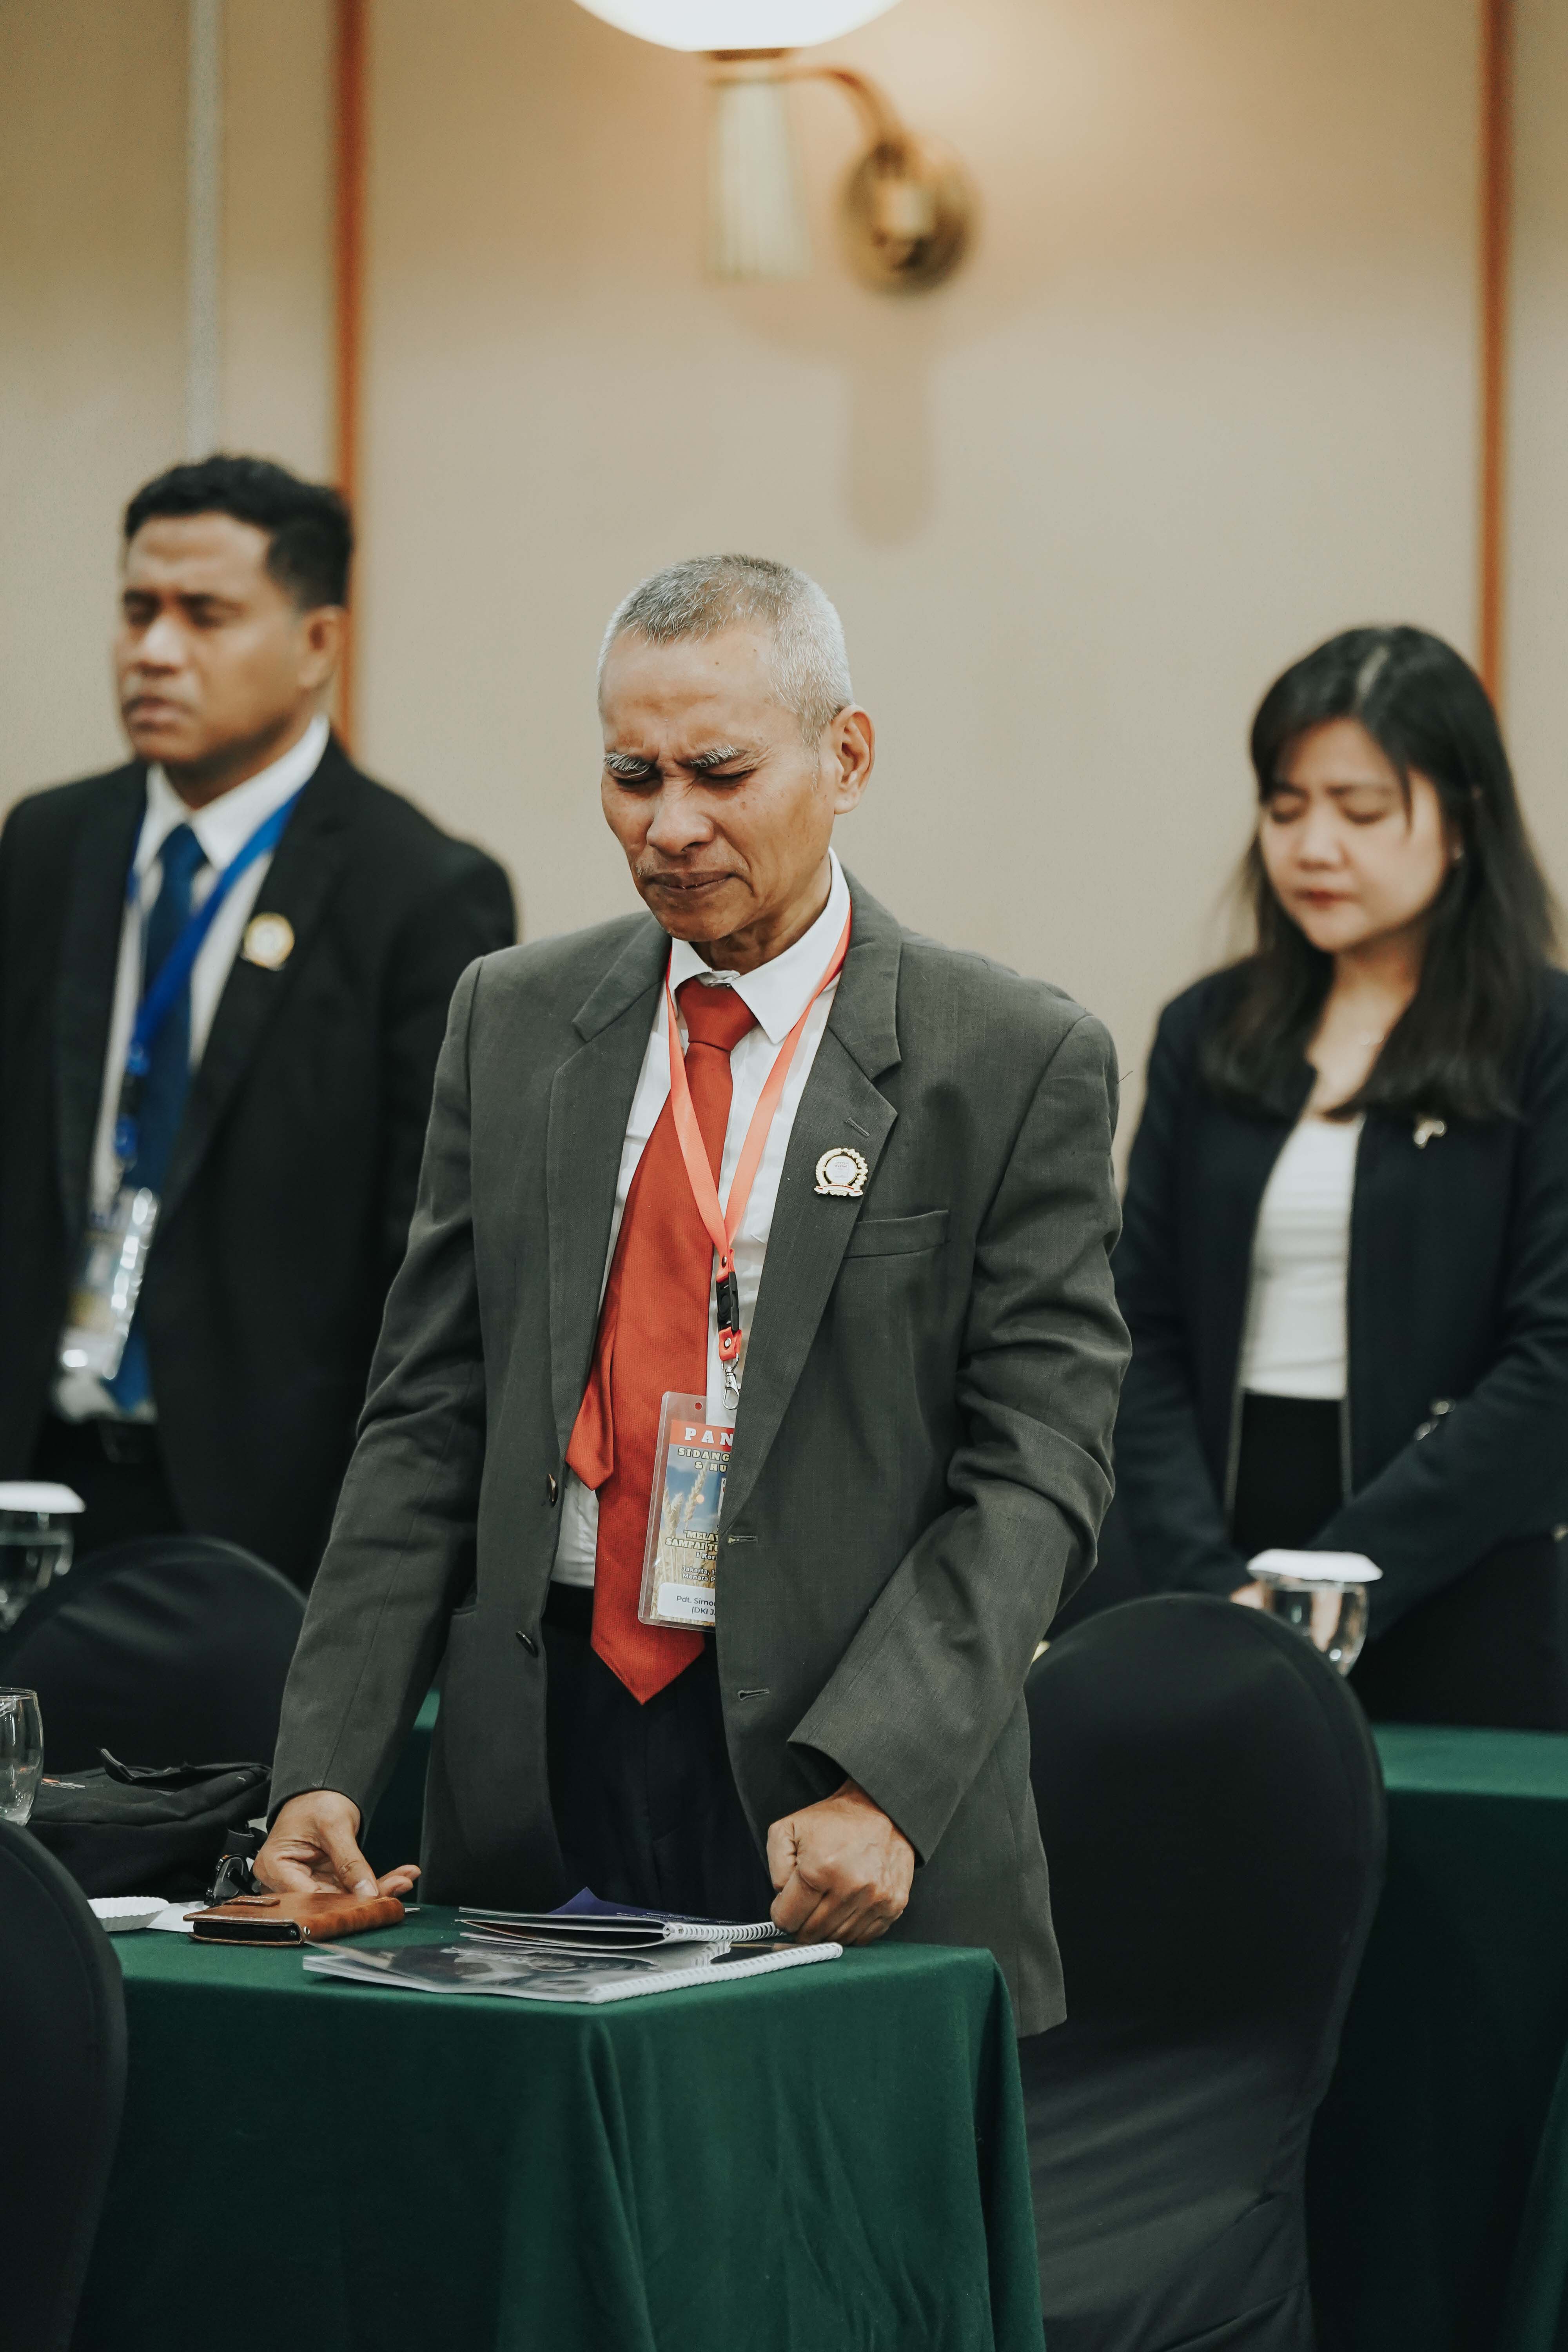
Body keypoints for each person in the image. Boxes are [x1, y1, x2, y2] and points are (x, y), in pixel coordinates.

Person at [256, 554, 1128, 2028]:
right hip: (547, 1758)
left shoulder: (1009, 1057)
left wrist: (884, 1778)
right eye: (632, 775)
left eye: (720, 773)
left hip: (839, 1785)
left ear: (846, 758)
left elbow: (1040, 1467)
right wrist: (325, 1767)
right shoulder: (514, 1020)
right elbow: (427, 1418)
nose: (669, 826)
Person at [0, 455, 515, 1583]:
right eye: (138, 609)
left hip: (264, 1518)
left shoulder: (419, 893)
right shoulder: (45, 844)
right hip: (33, 1477)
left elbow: (427, 1266)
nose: (154, 650)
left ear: (317, 642)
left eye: (205, 615)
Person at [1114, 624, 1568, 1728]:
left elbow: (1553, 1359)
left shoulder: (1543, 1038)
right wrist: (1214, 1582)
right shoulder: (1208, 1029)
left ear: (1462, 820)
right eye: (1287, 808)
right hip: (1209, 1568)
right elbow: (1136, 1327)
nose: (1315, 846)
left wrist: (1334, 1582)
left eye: (1360, 812)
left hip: (1458, 1581)